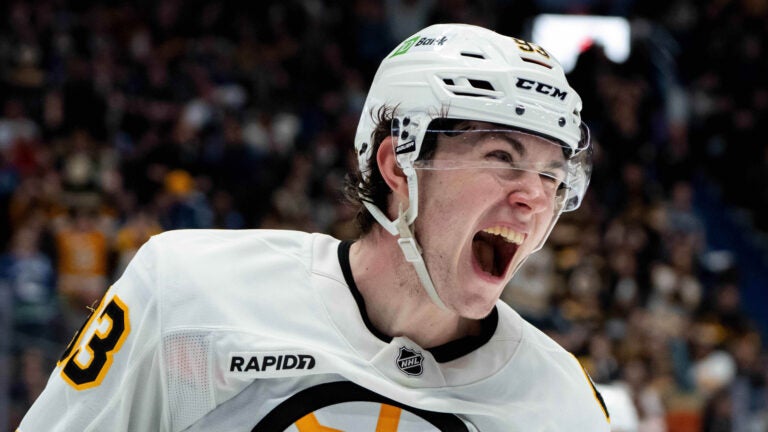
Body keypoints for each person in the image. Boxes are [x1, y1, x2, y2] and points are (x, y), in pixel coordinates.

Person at [18, 24, 610, 431]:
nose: (536, 197)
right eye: (502, 158)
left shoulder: (560, 403)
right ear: (397, 164)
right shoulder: (185, 292)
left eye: (552, 176)